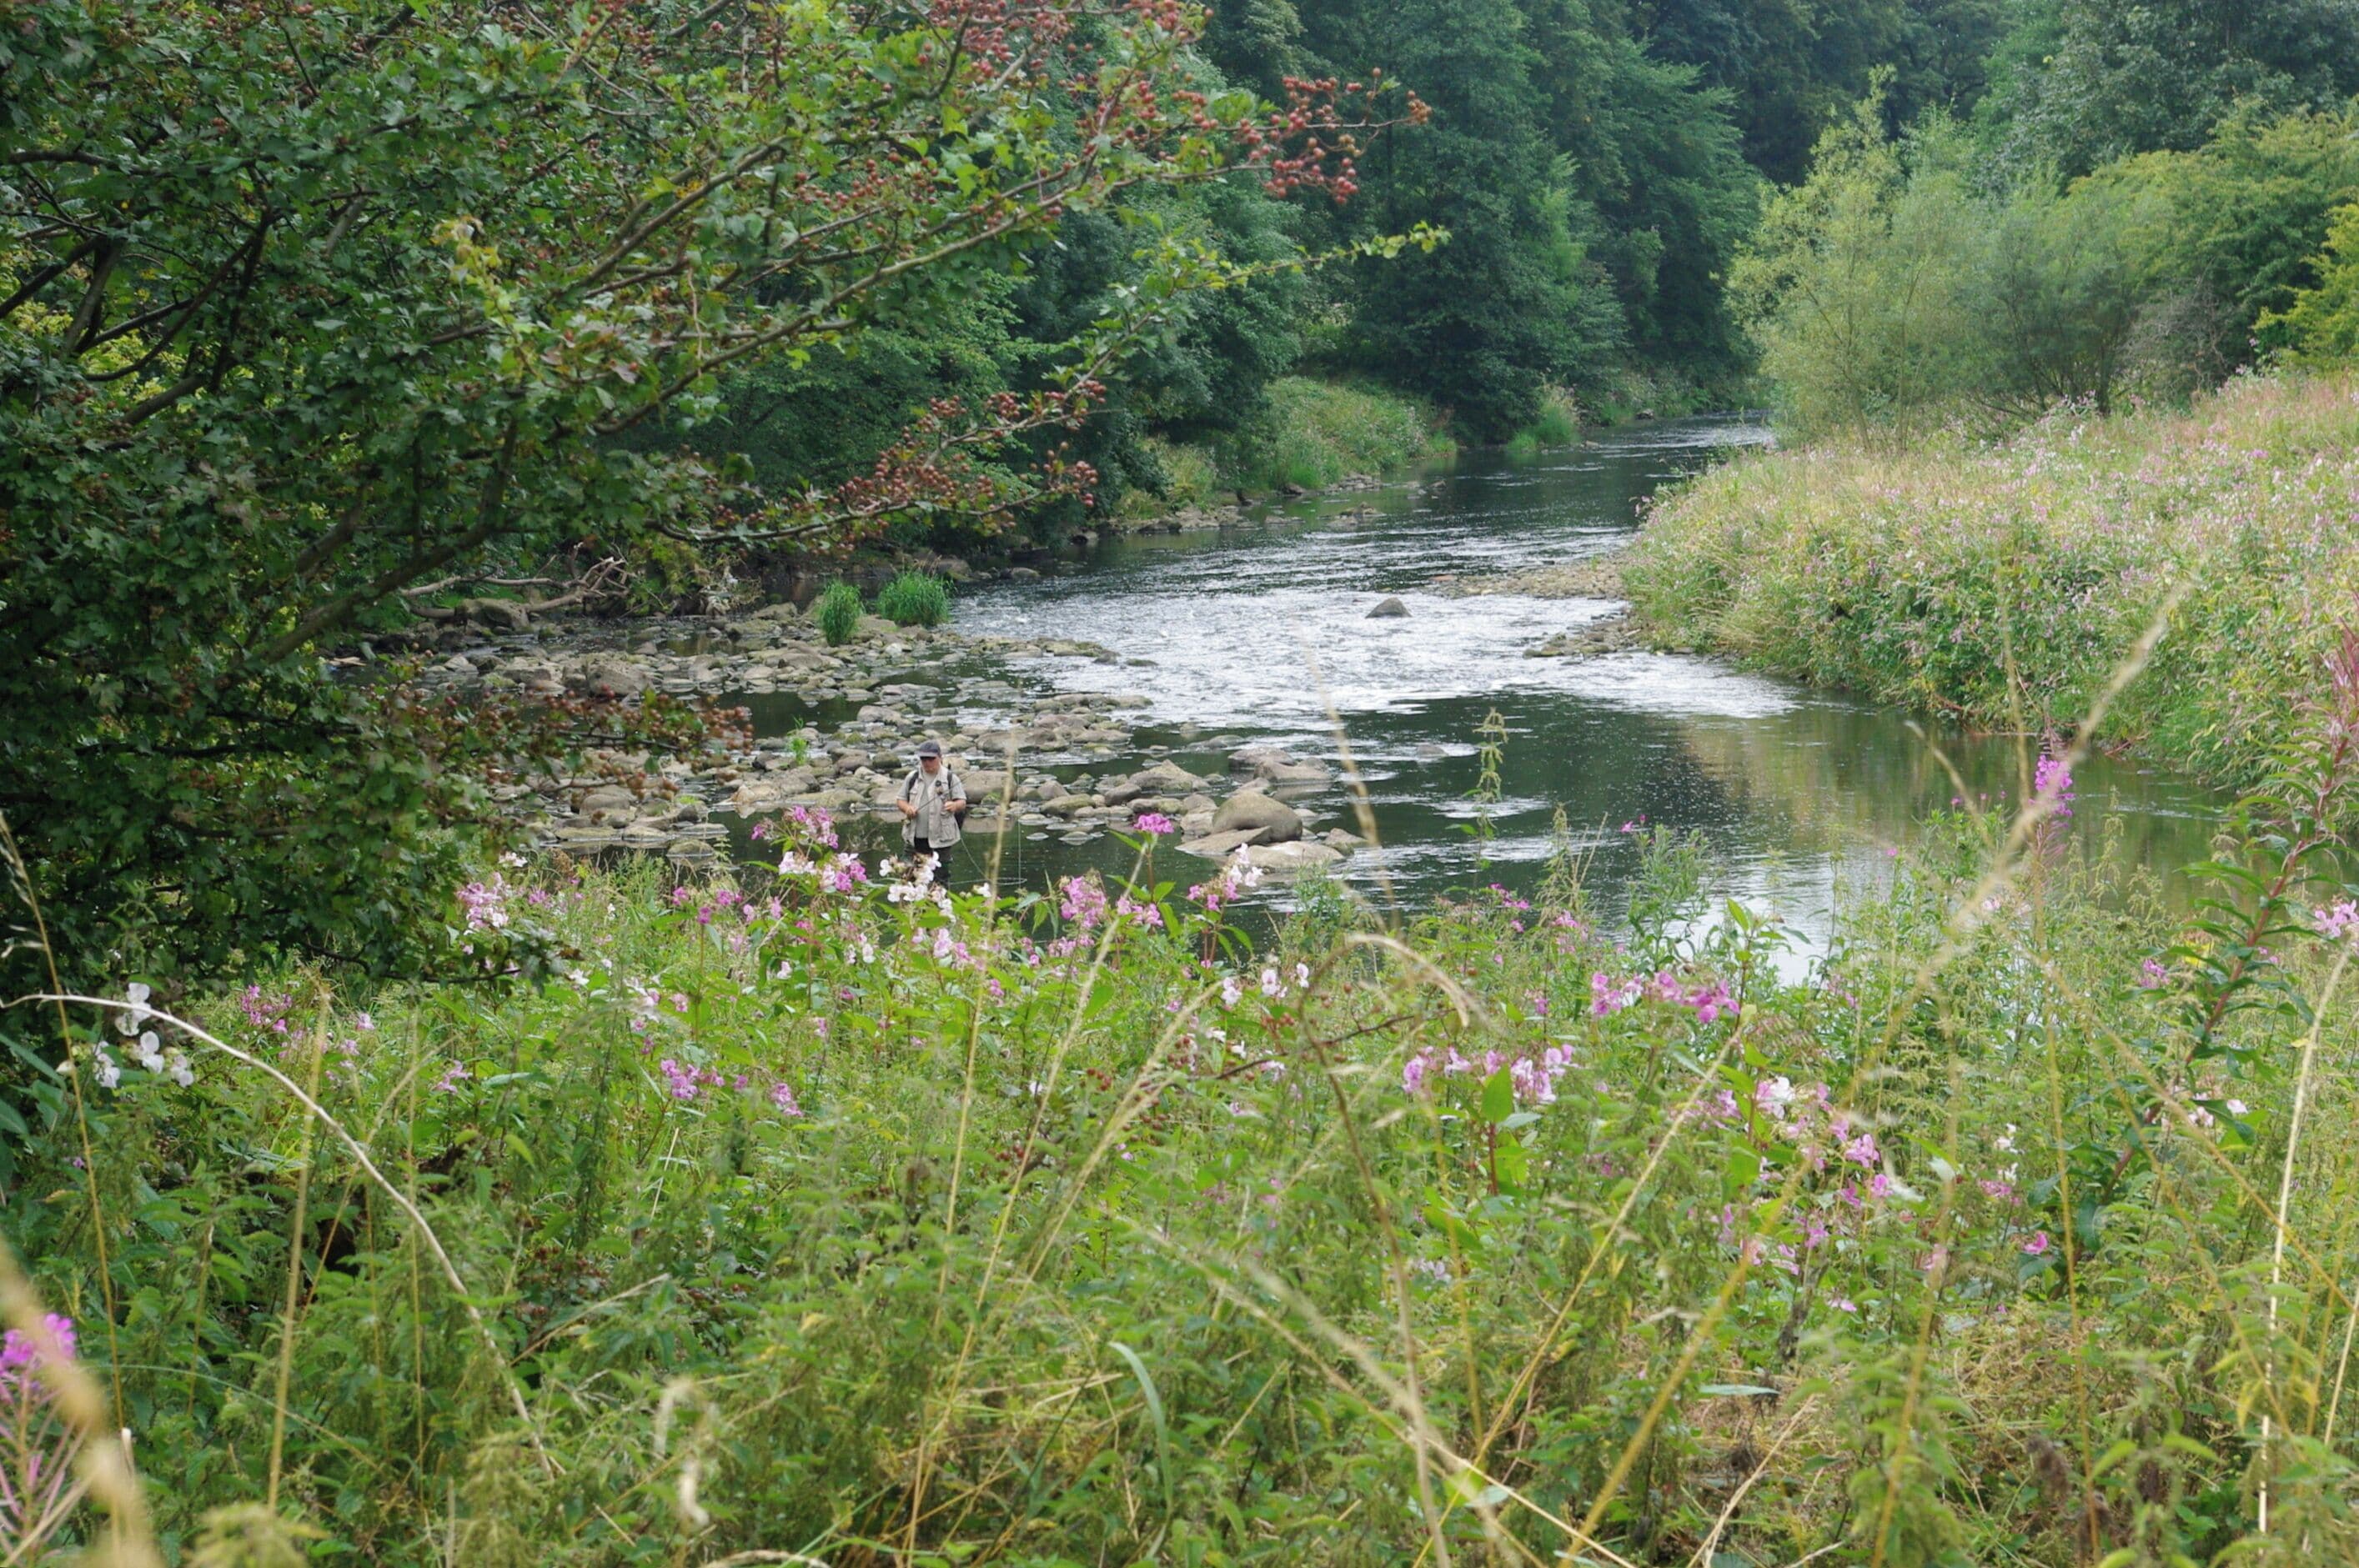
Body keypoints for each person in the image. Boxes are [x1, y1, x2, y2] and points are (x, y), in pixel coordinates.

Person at [897, 739, 966, 879]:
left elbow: (962, 802)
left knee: (940, 879)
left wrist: (954, 805)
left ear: (940, 758)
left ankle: (938, 900)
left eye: (931, 759)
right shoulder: (912, 777)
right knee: (909, 877)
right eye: (923, 759)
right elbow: (900, 800)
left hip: (941, 839)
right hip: (914, 838)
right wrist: (907, 808)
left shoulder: (951, 778)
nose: (927, 762)